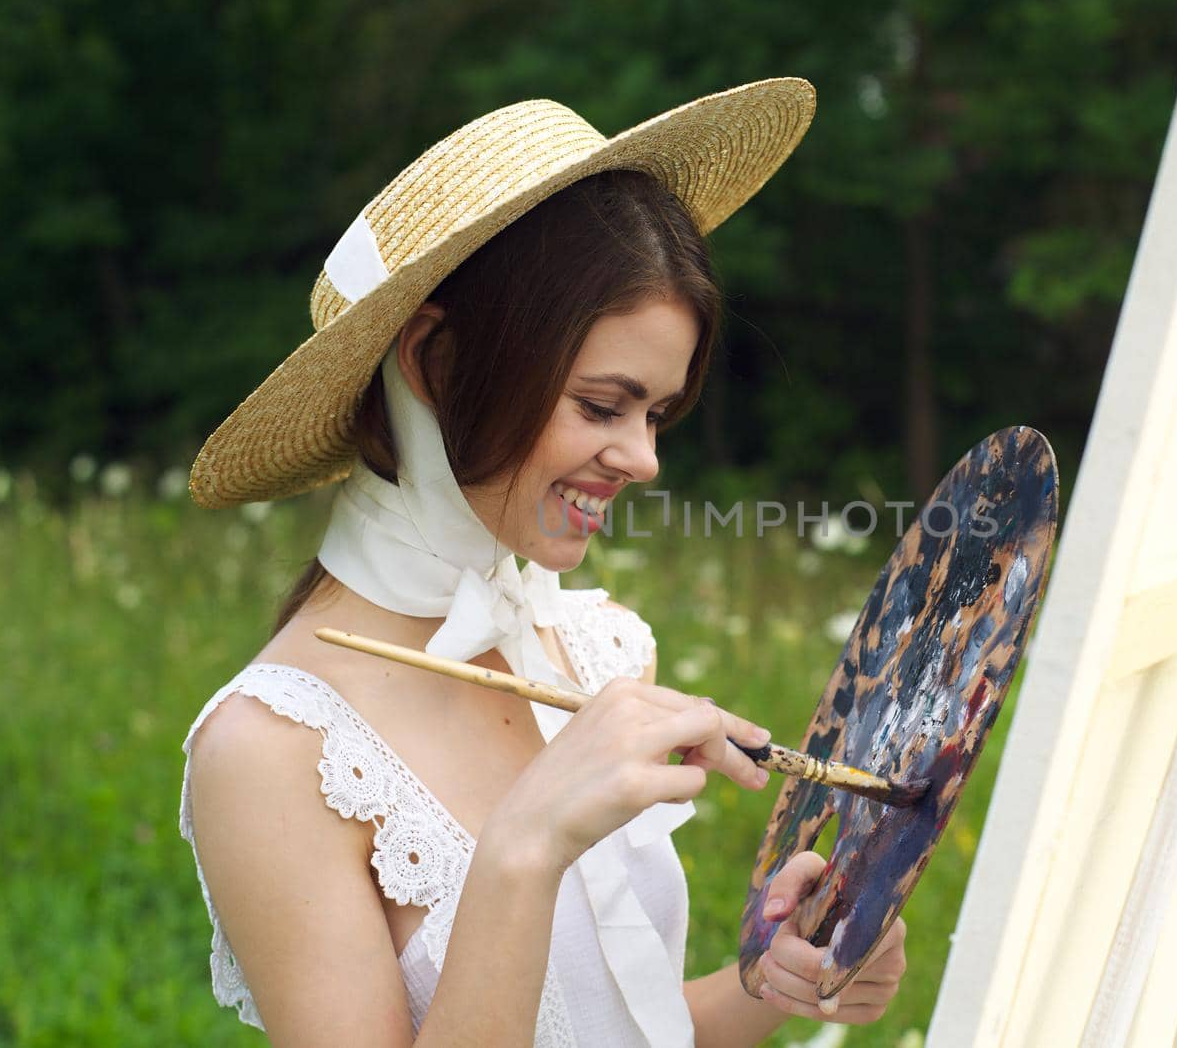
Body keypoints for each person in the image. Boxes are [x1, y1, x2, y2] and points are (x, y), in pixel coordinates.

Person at [176, 78, 909, 1046]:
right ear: (434, 363)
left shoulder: (591, 645)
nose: (643, 457)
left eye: (655, 411)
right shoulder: (271, 752)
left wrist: (776, 977)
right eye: (602, 406)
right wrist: (524, 844)